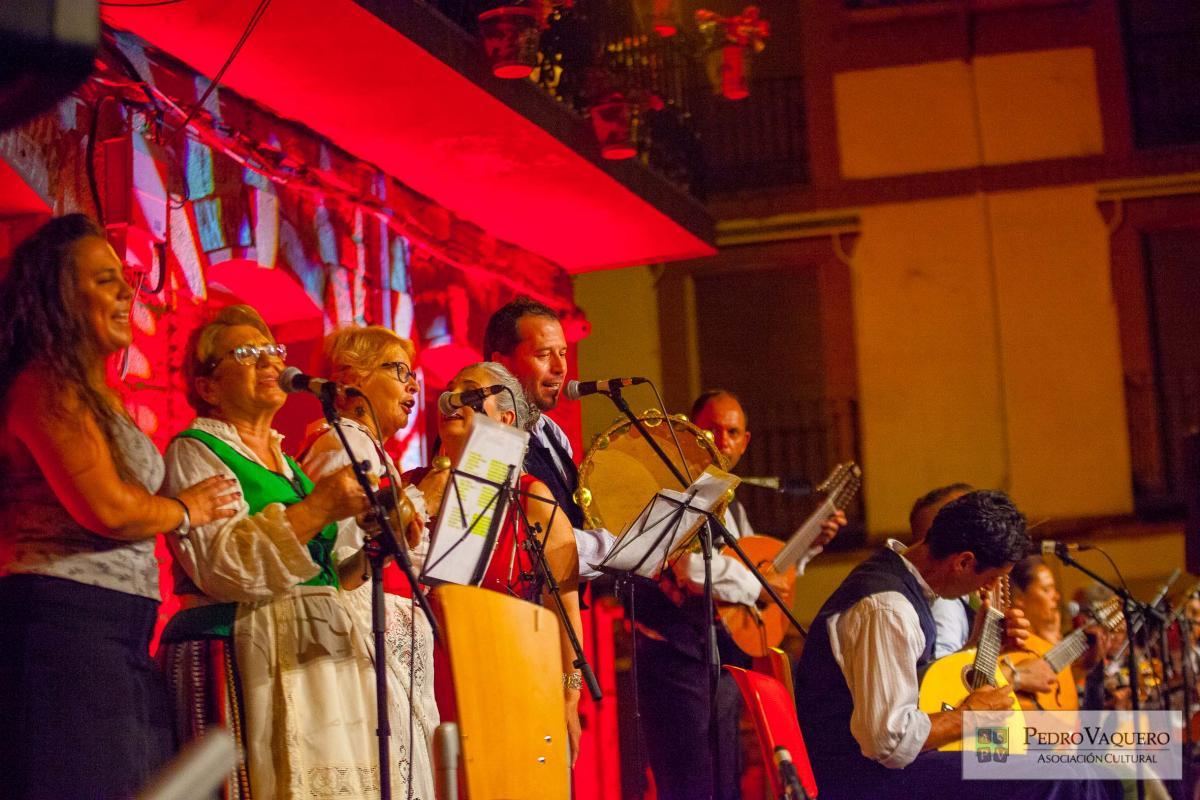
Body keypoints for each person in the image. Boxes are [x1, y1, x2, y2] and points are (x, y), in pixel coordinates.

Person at [0, 215, 239, 799]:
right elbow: (106, 508)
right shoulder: (44, 387)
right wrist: (185, 510)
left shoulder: (92, 391)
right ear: (58, 294)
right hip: (63, 623)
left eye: (122, 280)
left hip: (116, 628)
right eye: (105, 280)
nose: (123, 295)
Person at [158, 304, 377, 800]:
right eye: (248, 353)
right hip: (238, 656)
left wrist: (376, 552)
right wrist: (317, 509)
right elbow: (221, 567)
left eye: (273, 351)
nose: (270, 362)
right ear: (208, 386)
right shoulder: (195, 451)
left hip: (311, 667)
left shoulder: (290, 469)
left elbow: (327, 578)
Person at [794, 490, 1113, 800]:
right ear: (963, 562)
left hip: (880, 769)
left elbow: (913, 686)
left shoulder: (899, 581)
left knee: (1053, 756)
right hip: (859, 780)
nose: (989, 588)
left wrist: (977, 646)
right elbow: (888, 742)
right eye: (992, 577)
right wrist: (970, 716)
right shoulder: (889, 608)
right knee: (1064, 775)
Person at [627, 389, 844, 800]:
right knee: (691, 782)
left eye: (732, 432)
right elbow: (690, 567)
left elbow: (753, 579)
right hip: (675, 660)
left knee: (725, 779)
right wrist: (760, 584)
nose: (722, 441)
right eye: (712, 430)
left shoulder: (732, 505)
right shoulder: (676, 490)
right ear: (690, 433)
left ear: (745, 442)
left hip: (719, 659)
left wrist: (809, 547)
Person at [407, 361, 585, 764]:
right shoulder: (410, 490)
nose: (452, 401)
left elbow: (567, 615)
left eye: (469, 393)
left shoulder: (533, 499)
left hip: (510, 682)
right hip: (426, 690)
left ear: (505, 418)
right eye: (448, 392)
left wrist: (569, 696)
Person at [298, 325, 437, 799]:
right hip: (360, 637)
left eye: (413, 374)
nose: (413, 385)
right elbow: (338, 565)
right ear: (352, 380)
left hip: (385, 641)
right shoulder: (346, 446)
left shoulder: (368, 448)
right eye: (400, 371)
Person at [483, 297, 614, 578]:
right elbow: (530, 539)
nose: (560, 367)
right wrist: (619, 549)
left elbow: (569, 526)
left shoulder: (552, 434)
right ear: (500, 365)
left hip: (559, 612)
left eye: (563, 353)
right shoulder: (484, 438)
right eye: (543, 355)